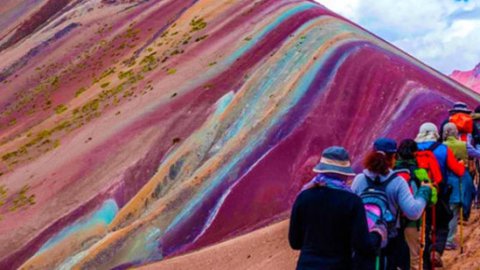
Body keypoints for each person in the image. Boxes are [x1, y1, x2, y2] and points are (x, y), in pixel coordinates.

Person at [289, 146, 385, 270]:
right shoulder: (352, 202)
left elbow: (295, 242)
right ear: (344, 174)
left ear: (321, 170)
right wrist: (377, 234)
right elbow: (362, 246)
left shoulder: (303, 197)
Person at [351, 138, 432, 270]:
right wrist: (424, 192)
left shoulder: (359, 179)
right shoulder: (397, 182)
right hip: (389, 240)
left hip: (363, 239)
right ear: (394, 157)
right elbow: (413, 212)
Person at [415, 122, 465, 268]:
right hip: (438, 194)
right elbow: (458, 171)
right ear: (436, 133)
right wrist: (462, 164)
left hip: (416, 195)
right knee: (442, 224)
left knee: (423, 228)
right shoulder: (443, 149)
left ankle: (424, 261)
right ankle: (435, 250)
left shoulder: (413, 149)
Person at [394, 139, 431, 270]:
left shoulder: (390, 171)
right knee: (414, 257)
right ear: (415, 153)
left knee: (395, 256)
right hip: (413, 221)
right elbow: (432, 198)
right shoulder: (420, 172)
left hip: (392, 220)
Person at [442, 123, 480, 250]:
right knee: (455, 210)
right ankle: (449, 240)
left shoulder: (441, 146)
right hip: (461, 179)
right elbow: (476, 154)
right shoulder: (463, 145)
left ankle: (441, 238)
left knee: (445, 209)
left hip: (444, 180)